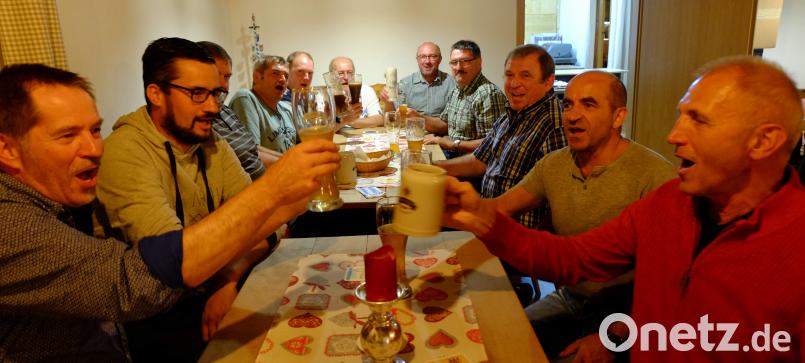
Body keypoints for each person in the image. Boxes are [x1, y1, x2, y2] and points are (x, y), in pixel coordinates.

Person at [443, 57, 805, 362]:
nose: (674, 134)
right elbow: (572, 258)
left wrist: (614, 336)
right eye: (682, 116)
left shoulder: (794, 246)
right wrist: (483, 217)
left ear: (763, 141)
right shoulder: (671, 202)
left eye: (699, 120)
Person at [0, 63, 338, 361]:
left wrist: (277, 209)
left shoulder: (208, 142)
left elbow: (262, 226)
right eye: (67, 135)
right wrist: (272, 191)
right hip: (162, 322)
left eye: (93, 130)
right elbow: (133, 283)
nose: (93, 149)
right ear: (7, 150)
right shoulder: (11, 224)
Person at [94, 38, 288, 361]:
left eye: (216, 93)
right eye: (197, 94)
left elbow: (269, 225)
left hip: (218, 288)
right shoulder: (126, 152)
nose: (213, 107)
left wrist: (228, 279)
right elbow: (175, 263)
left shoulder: (210, 142)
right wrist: (267, 204)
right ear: (156, 94)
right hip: (156, 319)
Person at [492, 70, 676, 361]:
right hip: (572, 297)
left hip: (626, 314)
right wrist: (451, 206)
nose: (572, 116)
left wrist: (613, 334)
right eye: (568, 105)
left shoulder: (656, 176)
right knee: (500, 340)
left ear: (619, 117)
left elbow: (671, 285)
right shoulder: (554, 164)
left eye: (588, 105)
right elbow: (500, 208)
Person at [436, 44, 566, 229]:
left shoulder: (554, 125)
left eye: (525, 75)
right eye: (510, 75)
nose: (514, 83)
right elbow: (479, 160)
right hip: (487, 222)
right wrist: (434, 168)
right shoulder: (510, 115)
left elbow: (557, 204)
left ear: (548, 82)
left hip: (515, 236)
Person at [413, 40, 507, 158]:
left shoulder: (488, 94)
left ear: (479, 62)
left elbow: (492, 144)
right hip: (450, 152)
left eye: (465, 61)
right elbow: (444, 122)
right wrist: (417, 117)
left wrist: (451, 144)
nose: (458, 67)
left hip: (470, 162)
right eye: (454, 62)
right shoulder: (457, 89)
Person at [196, 41, 266, 180]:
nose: (224, 85)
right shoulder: (201, 121)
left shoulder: (226, 110)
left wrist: (289, 160)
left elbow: (253, 150)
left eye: (227, 77)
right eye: (217, 75)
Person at [229, 55, 297, 159]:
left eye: (286, 76)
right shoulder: (246, 98)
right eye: (275, 73)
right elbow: (251, 153)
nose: (283, 80)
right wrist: (292, 164)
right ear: (256, 77)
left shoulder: (287, 108)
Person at [381, 42, 456, 117]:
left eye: (433, 56)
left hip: (441, 128)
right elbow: (393, 117)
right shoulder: (405, 84)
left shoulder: (452, 84)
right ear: (417, 60)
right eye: (423, 56)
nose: (427, 61)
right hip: (413, 127)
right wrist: (388, 102)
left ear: (440, 59)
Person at [329, 56, 383, 128]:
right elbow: (325, 129)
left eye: (350, 73)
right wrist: (346, 119)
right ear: (331, 77)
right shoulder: (324, 96)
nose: (346, 77)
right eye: (340, 73)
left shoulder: (366, 91)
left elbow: (379, 119)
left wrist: (351, 120)